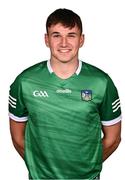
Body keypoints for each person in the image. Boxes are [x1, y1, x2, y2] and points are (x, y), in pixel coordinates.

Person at [9, 8, 122, 180]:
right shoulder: (25, 82)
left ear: (81, 39)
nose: (64, 43)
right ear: (46, 40)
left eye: (71, 35)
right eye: (56, 35)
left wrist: (86, 168)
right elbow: (18, 138)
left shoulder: (101, 82)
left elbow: (113, 139)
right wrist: (39, 168)